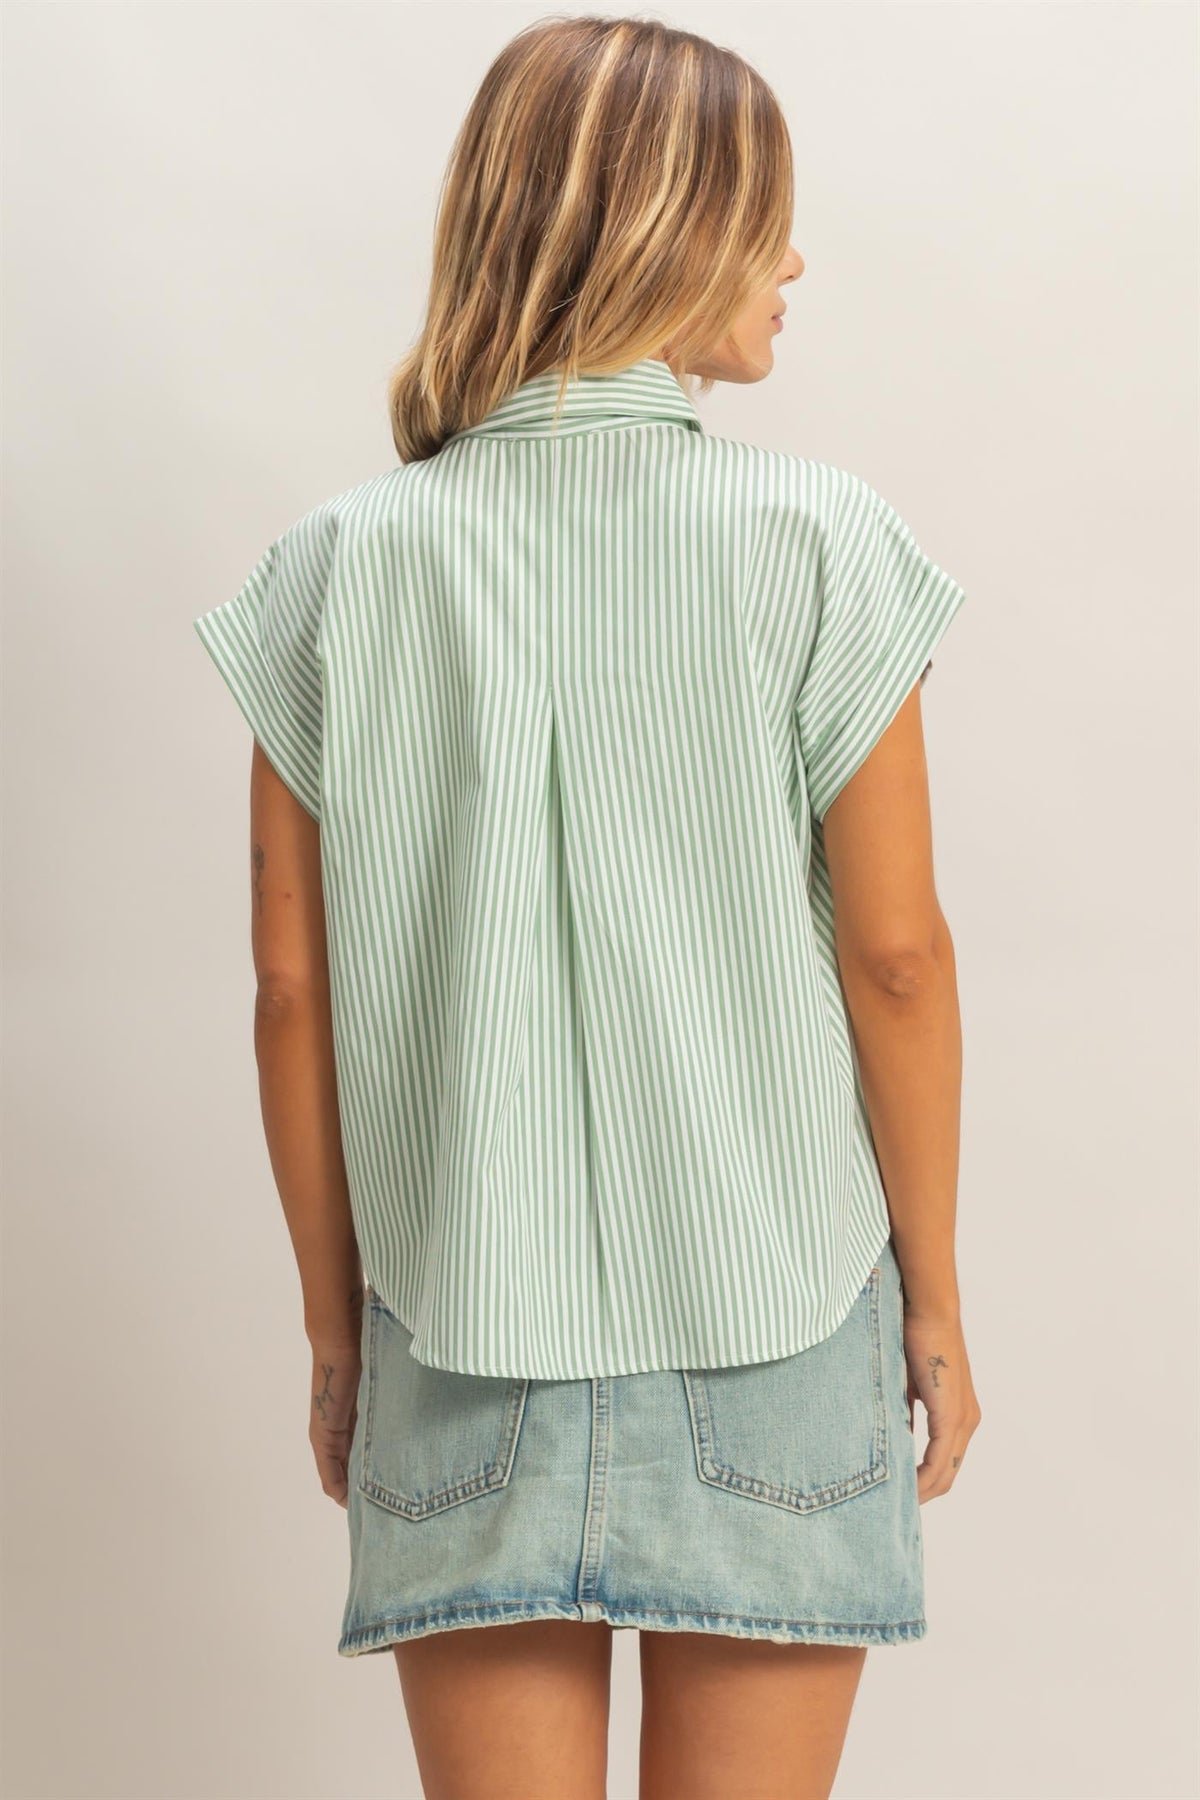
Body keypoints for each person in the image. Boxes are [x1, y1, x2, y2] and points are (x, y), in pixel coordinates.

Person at [193, 13, 981, 1799]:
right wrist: (932, 1301)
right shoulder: (821, 542)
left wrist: (337, 1331)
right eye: (766, 219)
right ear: (667, 228)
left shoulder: (334, 569)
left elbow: (292, 997)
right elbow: (897, 959)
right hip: (782, 1309)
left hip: (456, 1318)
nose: (794, 262)